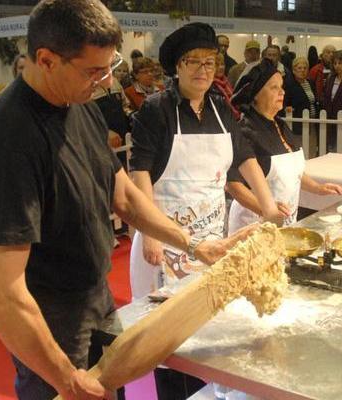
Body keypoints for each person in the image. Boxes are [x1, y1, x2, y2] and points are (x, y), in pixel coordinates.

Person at [0, 2, 249, 399]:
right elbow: (1, 296)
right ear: (46, 60)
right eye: (93, 70)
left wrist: (192, 243)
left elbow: (123, 194)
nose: (105, 82)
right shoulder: (12, 139)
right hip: (49, 319)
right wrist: (66, 377)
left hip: (95, 296)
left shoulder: (77, 102)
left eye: (109, 67)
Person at [127, 22, 282, 399]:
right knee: (168, 347)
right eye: (192, 62)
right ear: (176, 68)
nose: (202, 70)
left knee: (208, 339)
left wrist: (269, 208)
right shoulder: (156, 110)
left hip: (211, 244)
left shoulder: (220, 110)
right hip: (164, 245)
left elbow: (244, 160)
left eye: (209, 62)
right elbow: (140, 171)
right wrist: (150, 233)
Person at [226, 60, 342, 234]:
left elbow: (293, 172)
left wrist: (318, 188)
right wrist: (266, 210)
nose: (282, 92)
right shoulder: (245, 131)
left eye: (281, 86)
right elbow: (234, 186)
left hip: (285, 222)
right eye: (274, 87)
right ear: (256, 94)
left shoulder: (280, 125)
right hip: (252, 225)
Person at [284, 56, 319, 155]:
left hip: (312, 122)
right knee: (301, 151)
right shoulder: (289, 84)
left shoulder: (310, 83)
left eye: (305, 68)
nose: (302, 70)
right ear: (294, 70)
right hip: (298, 124)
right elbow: (285, 102)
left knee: (311, 149)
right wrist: (287, 108)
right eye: (299, 68)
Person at [210, 53, 239, 120]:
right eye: (217, 65)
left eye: (222, 64)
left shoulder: (226, 82)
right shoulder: (210, 86)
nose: (221, 67)